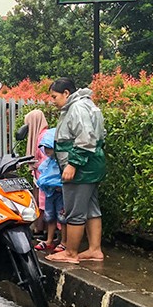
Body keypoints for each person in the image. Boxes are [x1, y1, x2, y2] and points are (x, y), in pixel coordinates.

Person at [46, 78, 106, 264]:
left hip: (81, 169)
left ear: (66, 93)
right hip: (92, 166)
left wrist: (73, 164)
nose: (52, 101)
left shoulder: (77, 108)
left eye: (54, 96)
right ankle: (95, 250)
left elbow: (85, 139)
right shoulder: (88, 105)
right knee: (91, 208)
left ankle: (71, 252)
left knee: (74, 211)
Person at [34, 128, 67, 252]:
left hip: (59, 193)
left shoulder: (61, 163)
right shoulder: (49, 162)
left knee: (62, 217)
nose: (47, 151)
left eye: (49, 148)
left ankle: (64, 241)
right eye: (45, 148)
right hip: (50, 193)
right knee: (50, 217)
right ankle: (49, 240)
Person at [24, 109, 49, 236]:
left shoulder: (43, 137)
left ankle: (41, 229)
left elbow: (46, 160)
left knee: (42, 203)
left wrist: (36, 165)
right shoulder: (41, 135)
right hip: (39, 176)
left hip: (43, 178)